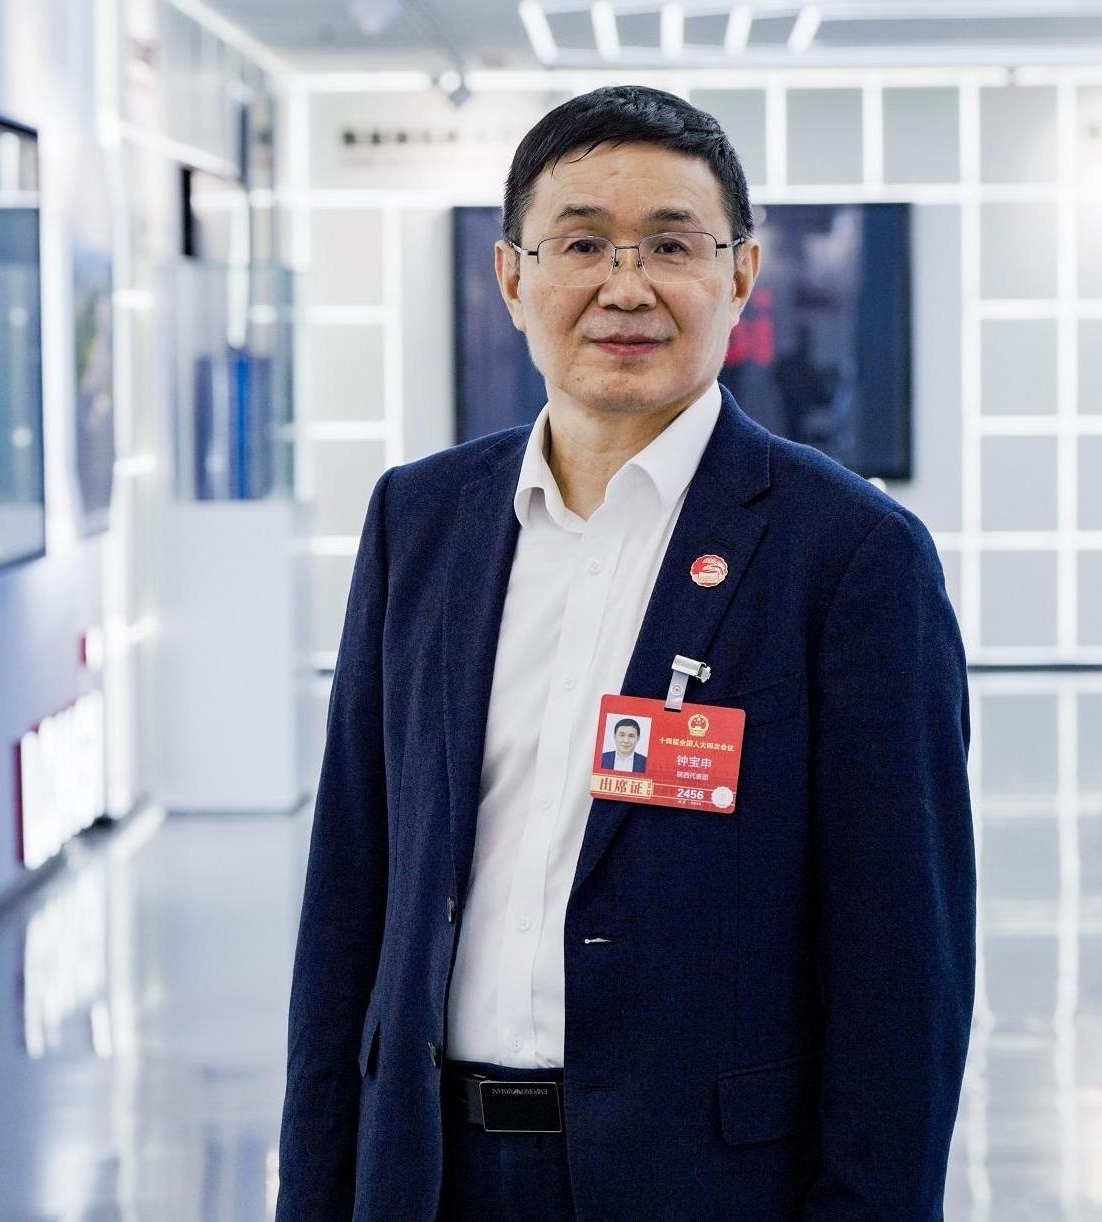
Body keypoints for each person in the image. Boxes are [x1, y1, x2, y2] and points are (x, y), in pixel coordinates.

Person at [277, 85, 974, 1221]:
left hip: (702, 1183)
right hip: (428, 1173)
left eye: (672, 245)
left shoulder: (848, 555)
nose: (626, 285)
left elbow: (903, 968)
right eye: (582, 243)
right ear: (511, 277)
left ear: (741, 276)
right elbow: (350, 896)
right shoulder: (421, 521)